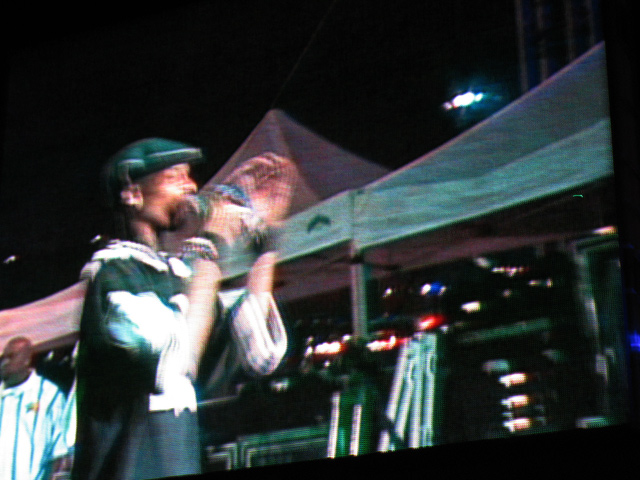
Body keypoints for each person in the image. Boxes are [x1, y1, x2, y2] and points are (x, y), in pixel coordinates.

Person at [71, 138, 291, 480]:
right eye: (175, 177)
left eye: (189, 176)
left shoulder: (179, 275)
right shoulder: (112, 274)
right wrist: (211, 244)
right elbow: (175, 362)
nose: (190, 187)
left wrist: (266, 239)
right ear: (133, 194)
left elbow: (259, 354)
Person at [0, 336, 73, 480]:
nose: (4, 363)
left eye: (11, 357)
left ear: (27, 359)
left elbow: (59, 452)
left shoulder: (49, 395)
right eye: (3, 358)